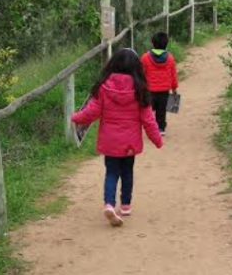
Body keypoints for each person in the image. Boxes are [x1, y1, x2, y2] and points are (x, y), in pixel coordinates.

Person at [72, 49, 163, 227]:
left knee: (112, 172)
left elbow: (92, 112)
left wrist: (75, 117)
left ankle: (109, 204)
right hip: (130, 142)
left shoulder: (104, 86)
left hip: (110, 140)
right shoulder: (140, 89)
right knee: (127, 172)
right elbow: (148, 120)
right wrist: (157, 140)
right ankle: (126, 205)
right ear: (137, 67)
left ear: (113, 64)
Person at [140, 32, 178, 136]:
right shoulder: (170, 58)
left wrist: (140, 88)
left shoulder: (145, 57)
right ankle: (161, 128)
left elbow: (141, 74)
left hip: (150, 90)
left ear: (153, 43)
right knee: (162, 110)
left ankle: (150, 128)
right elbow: (173, 75)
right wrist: (174, 89)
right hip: (164, 90)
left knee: (149, 110)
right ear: (166, 44)